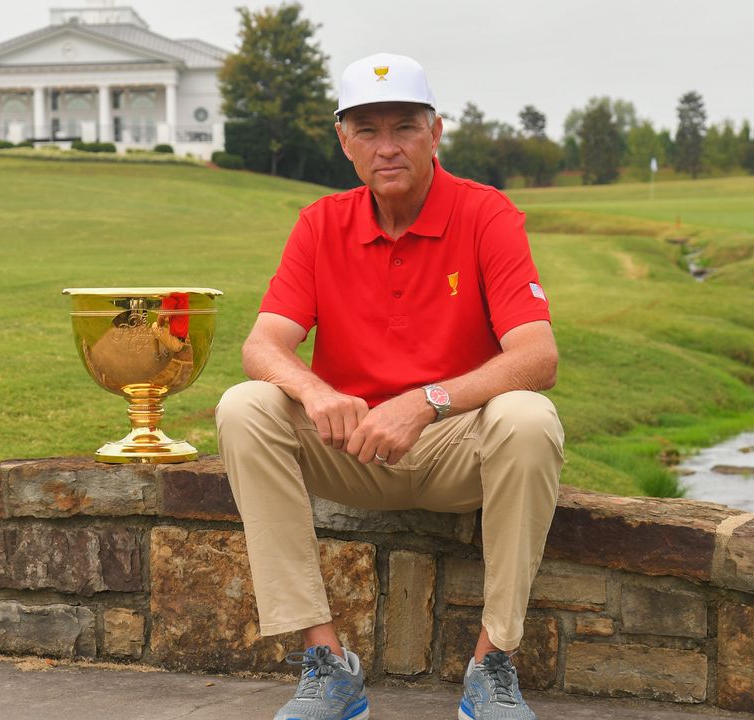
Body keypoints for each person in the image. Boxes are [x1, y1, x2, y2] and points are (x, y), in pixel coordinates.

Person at [215, 52, 564, 720]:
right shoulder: (320, 223)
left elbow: (538, 355)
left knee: (527, 416)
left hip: (455, 447)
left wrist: (428, 400)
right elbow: (262, 344)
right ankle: (325, 662)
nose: (388, 147)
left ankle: (492, 666)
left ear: (436, 133)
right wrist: (315, 393)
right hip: (351, 446)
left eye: (404, 127)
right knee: (246, 404)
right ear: (343, 142)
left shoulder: (487, 214)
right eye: (367, 131)